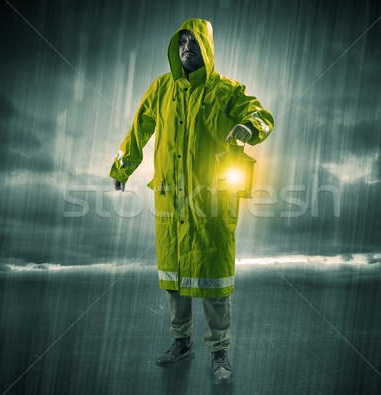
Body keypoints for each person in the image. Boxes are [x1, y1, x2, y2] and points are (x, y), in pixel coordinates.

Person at [109, 18, 273, 384]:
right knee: (174, 278)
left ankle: (219, 352)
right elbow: (140, 128)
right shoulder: (161, 89)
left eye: (194, 42)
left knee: (215, 281)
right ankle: (180, 342)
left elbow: (261, 115)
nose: (186, 47)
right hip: (171, 198)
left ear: (207, 48)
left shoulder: (225, 90)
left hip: (211, 200)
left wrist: (248, 127)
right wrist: (122, 167)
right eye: (182, 41)